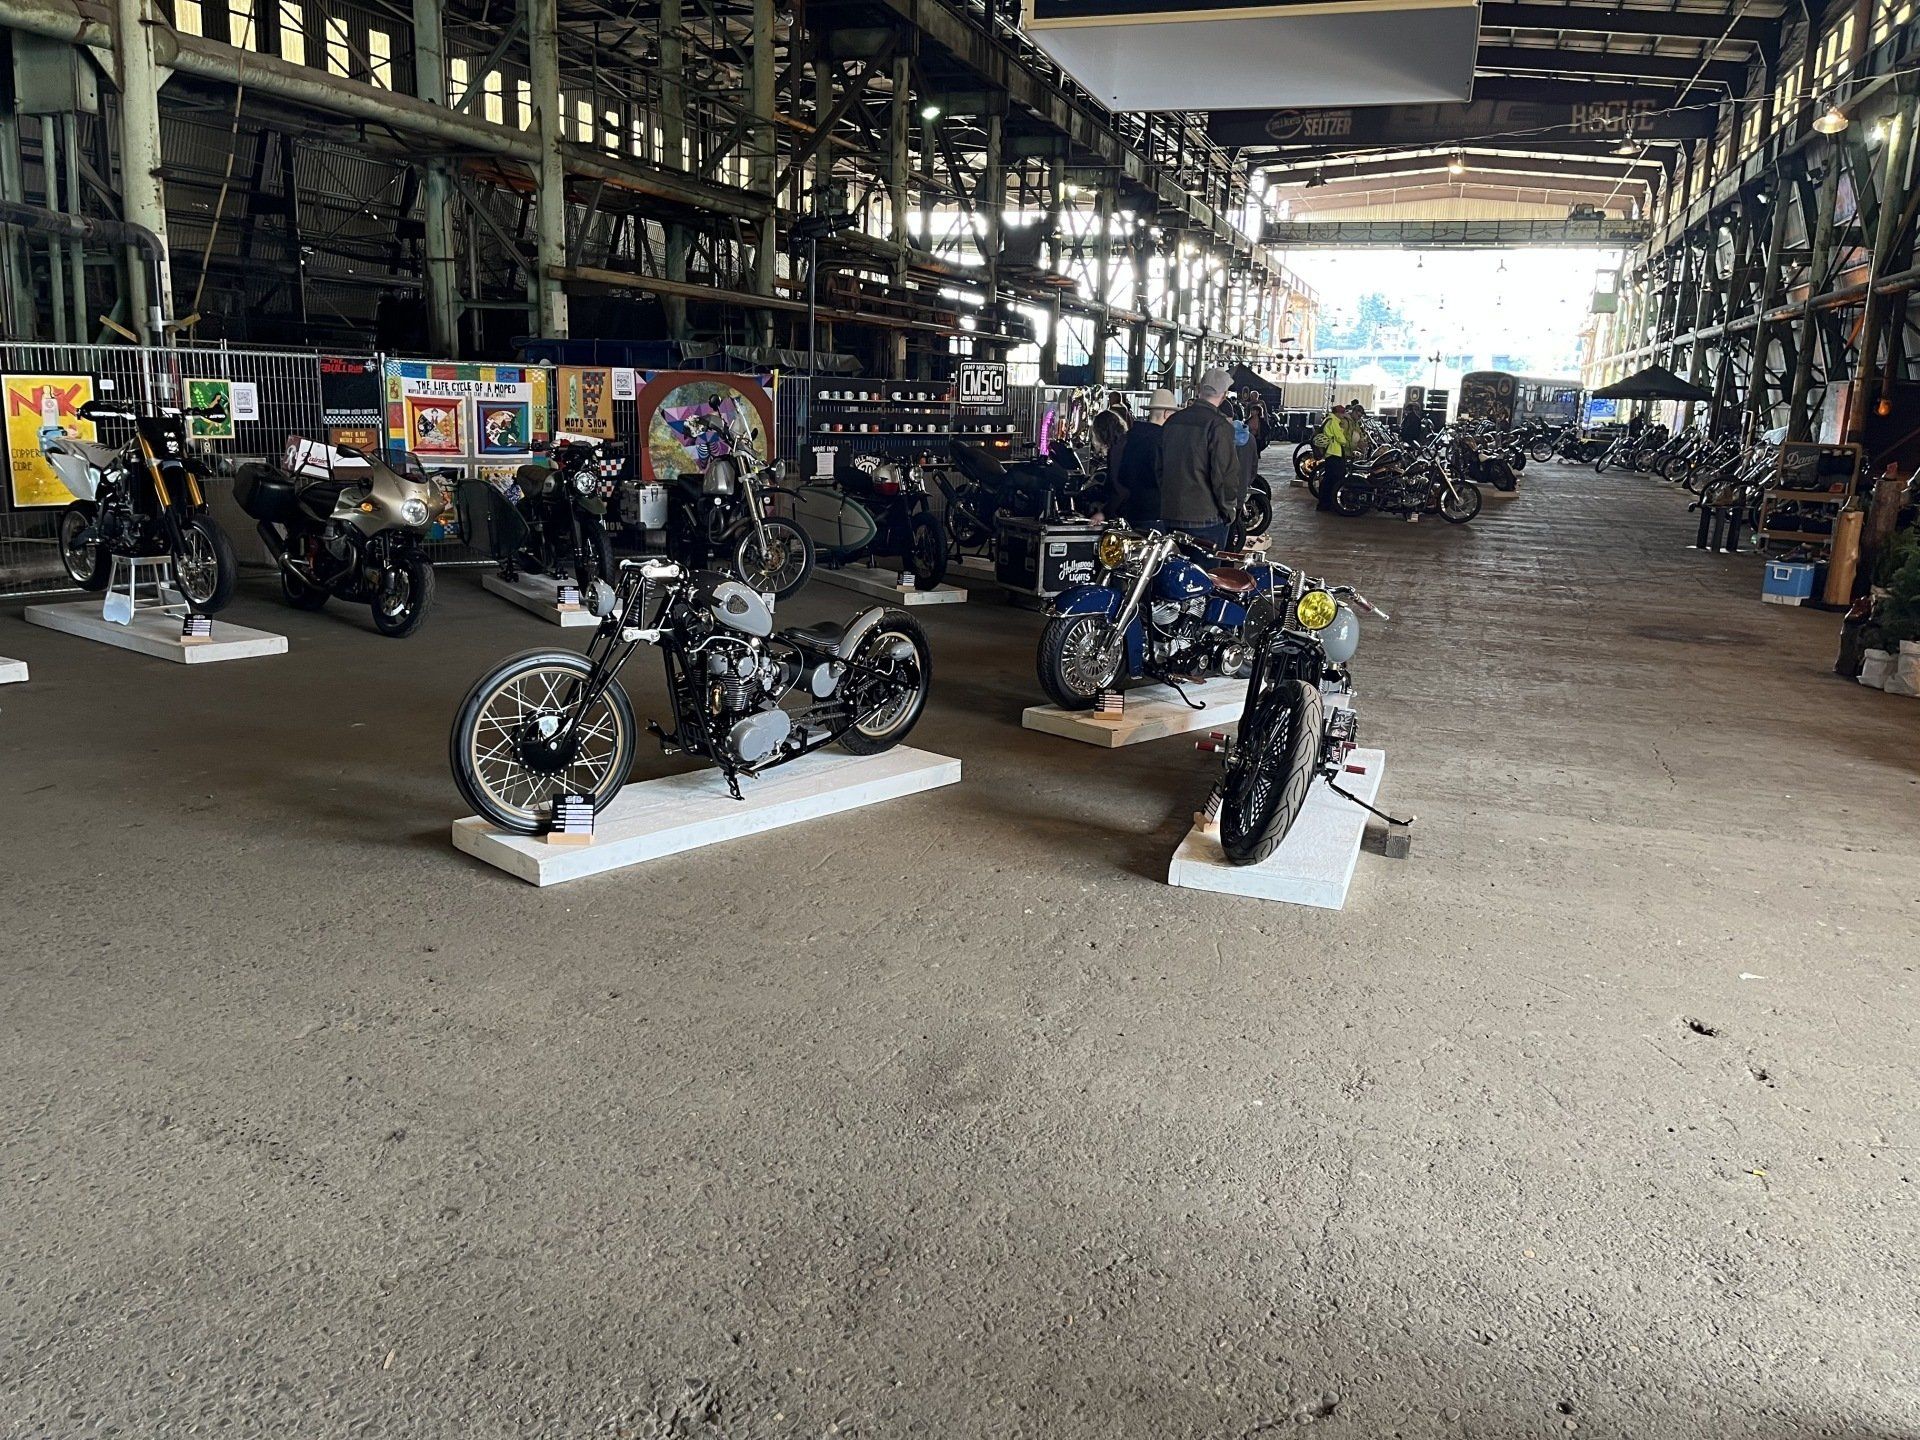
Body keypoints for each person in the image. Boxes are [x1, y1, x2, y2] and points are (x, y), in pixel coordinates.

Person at [1158, 368, 1242, 546]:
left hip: (1168, 513)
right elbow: (1225, 475)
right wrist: (1229, 510)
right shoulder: (1218, 425)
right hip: (1206, 518)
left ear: (1199, 390)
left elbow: (1158, 466)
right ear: (1224, 394)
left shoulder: (1173, 421)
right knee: (1206, 573)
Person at [1113, 388, 1174, 530]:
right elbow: (1163, 479)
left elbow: (1119, 475)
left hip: (1129, 511)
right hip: (1155, 513)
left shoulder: (1129, 436)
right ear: (1166, 414)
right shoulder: (1163, 441)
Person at [1314, 404, 1352, 513]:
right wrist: (1346, 440)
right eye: (1342, 412)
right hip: (1334, 453)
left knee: (1330, 479)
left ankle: (1327, 503)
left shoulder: (1330, 420)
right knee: (1332, 480)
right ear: (1337, 413)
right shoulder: (1333, 421)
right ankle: (1326, 503)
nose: (1343, 415)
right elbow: (1341, 439)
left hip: (1333, 453)